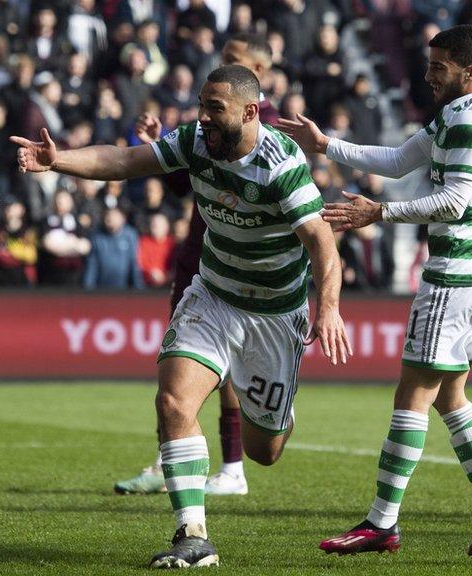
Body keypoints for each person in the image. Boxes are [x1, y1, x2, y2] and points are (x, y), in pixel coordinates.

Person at [12, 64, 350, 569]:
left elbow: (323, 242)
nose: (203, 118)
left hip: (274, 314)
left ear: (250, 111)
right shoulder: (194, 140)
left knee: (266, 450)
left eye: (215, 109)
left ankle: (276, 412)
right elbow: (127, 160)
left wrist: (329, 308)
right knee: (173, 402)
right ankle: (192, 534)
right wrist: (60, 160)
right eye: (201, 106)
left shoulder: (280, 166)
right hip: (213, 295)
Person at [279, 24, 472, 558]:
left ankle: (382, 522)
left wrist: (379, 212)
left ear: (470, 71)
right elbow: (398, 160)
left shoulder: (467, 122)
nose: (428, 75)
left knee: (411, 394)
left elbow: (454, 201)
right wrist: (326, 146)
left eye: (439, 68)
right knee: (451, 397)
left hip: (456, 277)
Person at [115, 32, 280, 498]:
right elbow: (180, 186)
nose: (220, 64)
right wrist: (157, 151)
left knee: (217, 368)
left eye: (232, 60)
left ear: (257, 74)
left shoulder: (270, 137)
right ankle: (187, 462)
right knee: (176, 365)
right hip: (197, 255)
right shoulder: (206, 126)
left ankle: (230, 466)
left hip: (240, 270)